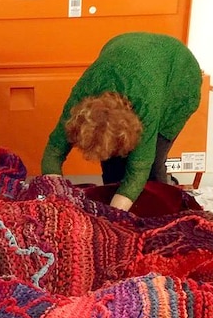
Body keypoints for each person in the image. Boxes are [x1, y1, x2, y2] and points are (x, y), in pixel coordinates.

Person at [40, 32, 203, 211]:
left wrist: (114, 217)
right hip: (128, 51)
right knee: (113, 170)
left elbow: (140, 168)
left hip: (178, 75)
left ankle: (161, 213)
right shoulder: (79, 101)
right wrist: (57, 198)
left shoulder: (146, 105)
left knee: (152, 168)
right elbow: (53, 153)